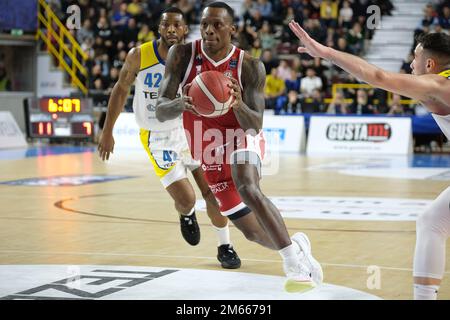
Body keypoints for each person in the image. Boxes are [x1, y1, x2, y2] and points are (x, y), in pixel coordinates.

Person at [156, 2, 323, 293]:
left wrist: (236, 102)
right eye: (205, 23)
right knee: (253, 233)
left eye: (217, 24)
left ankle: (292, 266)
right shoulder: (181, 54)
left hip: (240, 135)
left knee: (247, 185)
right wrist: (178, 104)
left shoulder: (250, 65)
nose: (209, 30)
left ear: (232, 29)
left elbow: (255, 124)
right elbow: (160, 109)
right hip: (206, 144)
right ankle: (296, 247)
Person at [289, 21, 450, 300]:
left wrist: (326, 52)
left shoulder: (437, 84)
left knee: (431, 222)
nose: (411, 63)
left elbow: (376, 76)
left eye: (416, 57)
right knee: (431, 221)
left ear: (430, 64)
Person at [97, 7, 241, 269]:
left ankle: (225, 246)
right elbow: (120, 89)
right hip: (157, 136)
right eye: (166, 25)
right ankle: (186, 215)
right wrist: (108, 131)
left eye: (177, 25)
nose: (171, 30)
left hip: (191, 130)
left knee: (214, 194)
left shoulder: (193, 57)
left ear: (185, 30)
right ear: (159, 29)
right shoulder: (139, 55)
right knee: (187, 199)